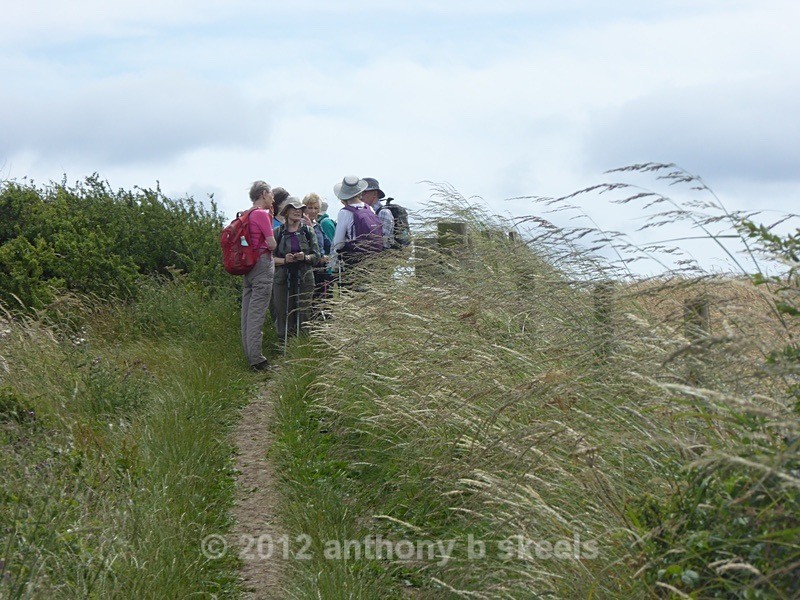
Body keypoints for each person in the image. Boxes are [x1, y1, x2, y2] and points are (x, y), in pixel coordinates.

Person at [272, 197, 321, 346]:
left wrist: (304, 257)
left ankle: (302, 348)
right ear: (286, 212)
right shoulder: (278, 232)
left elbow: (317, 256)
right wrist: (285, 260)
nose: (297, 212)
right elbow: (270, 258)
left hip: (304, 278)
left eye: (300, 209)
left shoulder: (308, 231)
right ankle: (284, 347)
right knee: (283, 314)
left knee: (303, 313)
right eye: (293, 209)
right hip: (282, 279)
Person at [241, 181, 277, 371]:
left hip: (248, 266)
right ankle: (257, 360)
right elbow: (271, 244)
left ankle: (250, 355)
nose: (273, 197)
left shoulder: (246, 214)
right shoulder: (261, 215)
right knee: (257, 314)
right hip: (262, 264)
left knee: (247, 314)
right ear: (264, 194)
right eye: (271, 194)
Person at [330, 175, 384, 278]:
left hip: (354, 262)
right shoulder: (369, 209)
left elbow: (338, 243)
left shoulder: (345, 212)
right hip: (374, 260)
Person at [302, 193, 334, 306]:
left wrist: (329, 256)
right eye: (310, 207)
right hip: (309, 268)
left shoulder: (318, 225)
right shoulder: (300, 226)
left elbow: (328, 244)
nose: (313, 211)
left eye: (316, 208)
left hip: (321, 269)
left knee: (323, 302)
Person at [362, 177, 395, 250]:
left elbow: (383, 241)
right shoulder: (375, 212)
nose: (361, 196)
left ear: (375, 193)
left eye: (364, 192)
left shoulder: (383, 212)